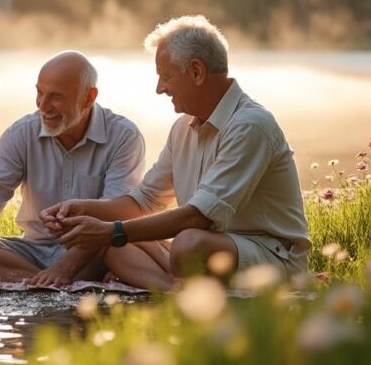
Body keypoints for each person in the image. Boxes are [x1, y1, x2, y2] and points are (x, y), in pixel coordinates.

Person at [41, 16, 311, 290]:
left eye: (166, 76)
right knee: (115, 244)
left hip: (270, 256)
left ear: (196, 72)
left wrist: (112, 230)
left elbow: (199, 216)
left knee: (184, 243)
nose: (160, 88)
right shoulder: (183, 128)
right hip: (209, 251)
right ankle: (175, 294)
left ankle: (176, 289)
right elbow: (144, 201)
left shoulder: (250, 125)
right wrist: (84, 208)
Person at [0, 51, 146, 286]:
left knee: (117, 240)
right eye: (40, 93)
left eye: (56, 96)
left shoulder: (124, 136)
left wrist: (65, 266)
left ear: (89, 98)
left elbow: (120, 210)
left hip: (91, 249)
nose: (43, 105)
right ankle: (45, 283)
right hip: (32, 249)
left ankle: (42, 281)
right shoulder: (21, 133)